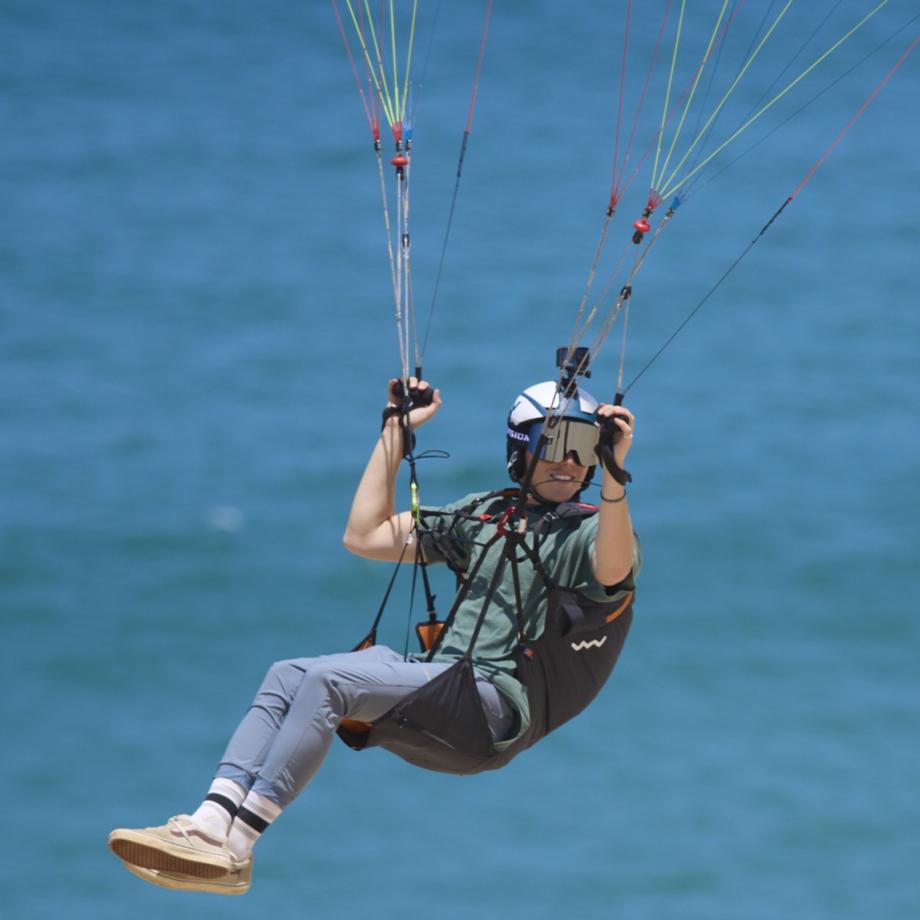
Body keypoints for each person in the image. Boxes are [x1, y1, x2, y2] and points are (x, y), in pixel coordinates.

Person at [108, 371, 639, 895]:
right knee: (288, 675)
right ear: (520, 447)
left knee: (330, 683)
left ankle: (238, 845)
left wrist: (616, 474)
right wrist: (395, 430)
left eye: (586, 446)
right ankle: (209, 822)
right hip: (442, 683)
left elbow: (615, 569)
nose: (571, 462)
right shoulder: (484, 515)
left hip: (491, 709)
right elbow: (364, 535)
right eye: (557, 443)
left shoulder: (589, 530)